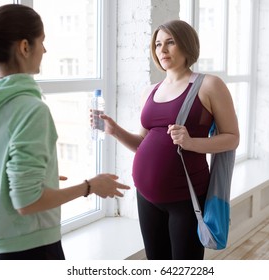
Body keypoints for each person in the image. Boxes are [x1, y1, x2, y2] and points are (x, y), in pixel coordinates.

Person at [0, 4, 130, 260]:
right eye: (42, 42)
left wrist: (41, 176)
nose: (45, 50)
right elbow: (27, 203)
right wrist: (91, 186)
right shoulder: (30, 109)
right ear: (25, 47)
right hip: (25, 249)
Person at [93, 20, 239, 260]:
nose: (162, 50)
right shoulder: (149, 91)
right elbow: (142, 143)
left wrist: (192, 143)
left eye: (170, 42)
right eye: (158, 44)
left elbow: (232, 138)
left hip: (185, 199)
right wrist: (114, 130)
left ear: (187, 44)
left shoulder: (210, 85)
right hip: (146, 197)